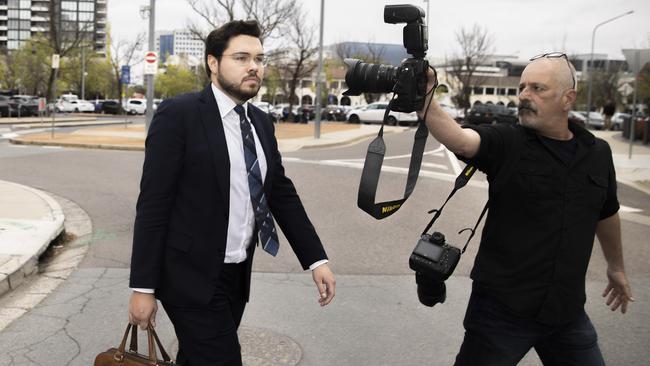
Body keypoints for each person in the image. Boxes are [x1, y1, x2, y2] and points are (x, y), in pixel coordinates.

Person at [128, 20, 335, 366]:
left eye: (259, 58)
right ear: (213, 62)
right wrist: (143, 288)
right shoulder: (179, 116)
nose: (254, 66)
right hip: (188, 278)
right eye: (241, 57)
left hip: (236, 275)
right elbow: (153, 205)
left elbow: (280, 193)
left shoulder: (261, 124)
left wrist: (316, 259)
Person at [418, 53, 634, 365]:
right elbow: (461, 140)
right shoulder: (509, 142)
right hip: (500, 314)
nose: (523, 96)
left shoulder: (598, 153)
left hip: (566, 314)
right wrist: (425, 100)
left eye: (537, 88)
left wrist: (617, 267)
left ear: (567, 98)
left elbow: (606, 211)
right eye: (522, 87)